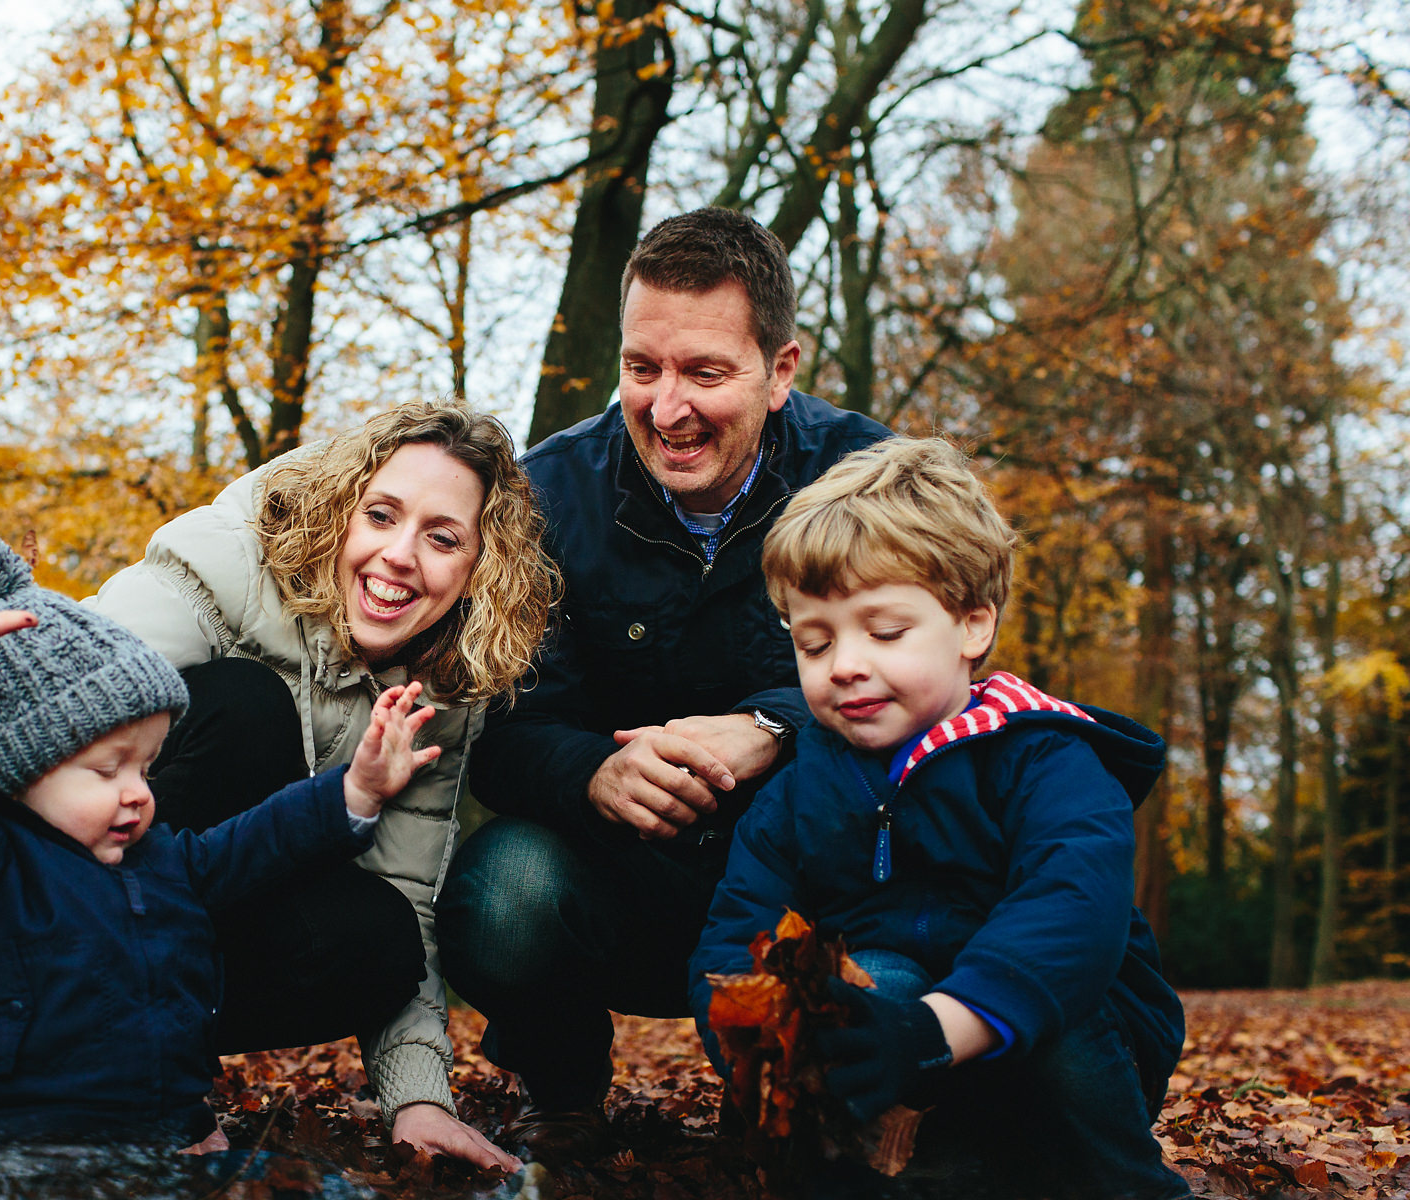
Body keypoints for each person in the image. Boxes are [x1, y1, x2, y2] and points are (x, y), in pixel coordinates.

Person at [435, 207, 891, 1159]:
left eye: (705, 373)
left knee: (807, 1139)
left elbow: (933, 694)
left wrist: (773, 727)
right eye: (643, 369)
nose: (667, 407)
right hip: (619, 880)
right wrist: (593, 777)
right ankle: (562, 1091)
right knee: (501, 890)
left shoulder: (865, 480)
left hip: (804, 876)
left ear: (782, 371)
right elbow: (504, 735)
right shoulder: (546, 496)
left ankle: (777, 1082)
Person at [0, 514, 441, 1150]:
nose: (139, 792)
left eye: (146, 768)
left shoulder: (154, 863)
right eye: (106, 769)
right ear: (20, 768)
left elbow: (257, 842)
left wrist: (357, 790)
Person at [688, 437, 1189, 1198]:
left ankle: (1120, 1183)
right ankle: (908, 1174)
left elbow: (1074, 910)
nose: (845, 664)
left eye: (884, 632)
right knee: (867, 982)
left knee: (1059, 1008)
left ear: (972, 626)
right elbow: (735, 934)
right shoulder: (798, 791)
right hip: (886, 1054)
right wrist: (769, 1043)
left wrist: (934, 1031)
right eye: (814, 642)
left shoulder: (1043, 758)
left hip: (1060, 1041)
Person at [87, 401, 553, 1170]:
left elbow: (405, 885)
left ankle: (138, 1054)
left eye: (442, 538)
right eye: (381, 515)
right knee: (247, 707)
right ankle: (103, 1066)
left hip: (180, 926)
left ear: (479, 570)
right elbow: (62, 731)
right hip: (34, 912)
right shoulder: (221, 565)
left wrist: (420, 1099)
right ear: (341, 513)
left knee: (381, 938)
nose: (400, 556)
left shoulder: (440, 691)